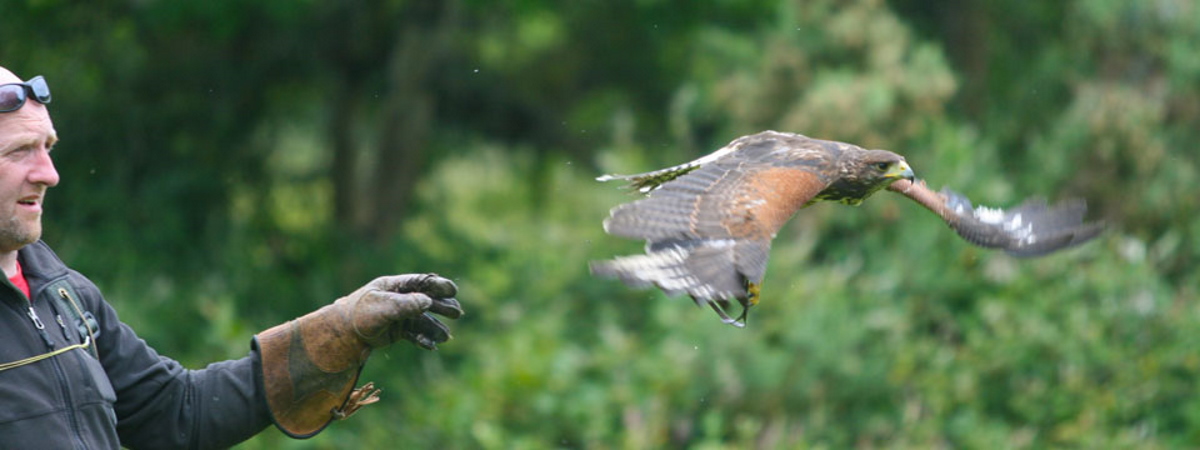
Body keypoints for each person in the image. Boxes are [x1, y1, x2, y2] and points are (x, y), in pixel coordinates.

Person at [0, 66, 464, 449]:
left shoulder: (62, 292)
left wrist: (340, 329)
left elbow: (175, 413)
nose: (49, 174)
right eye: (21, 151)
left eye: (48, 148)